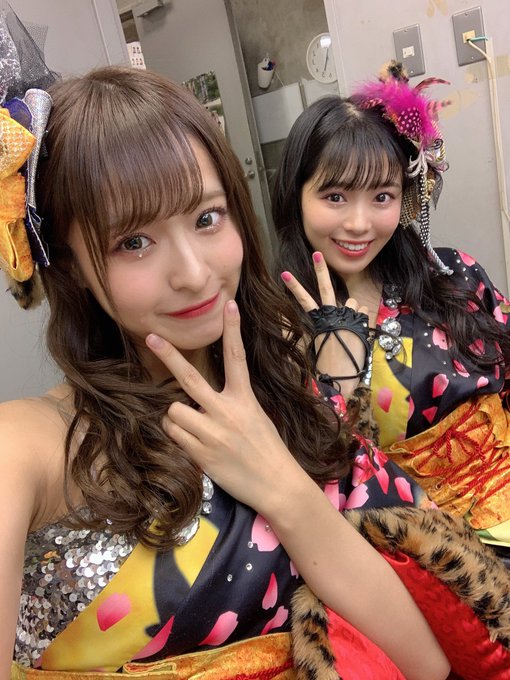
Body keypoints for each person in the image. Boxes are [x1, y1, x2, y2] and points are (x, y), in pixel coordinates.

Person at [1, 41, 508, 678]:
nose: (193, 273)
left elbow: (427, 662)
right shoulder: (32, 447)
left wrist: (279, 484)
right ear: (71, 264)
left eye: (207, 218)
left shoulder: (292, 377)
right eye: (134, 242)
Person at [273, 62, 510, 553]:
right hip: (434, 556)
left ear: (405, 200)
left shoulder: (455, 274)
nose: (359, 223)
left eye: (381, 196)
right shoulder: (279, 327)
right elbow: (315, 484)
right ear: (296, 196)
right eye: (335, 196)